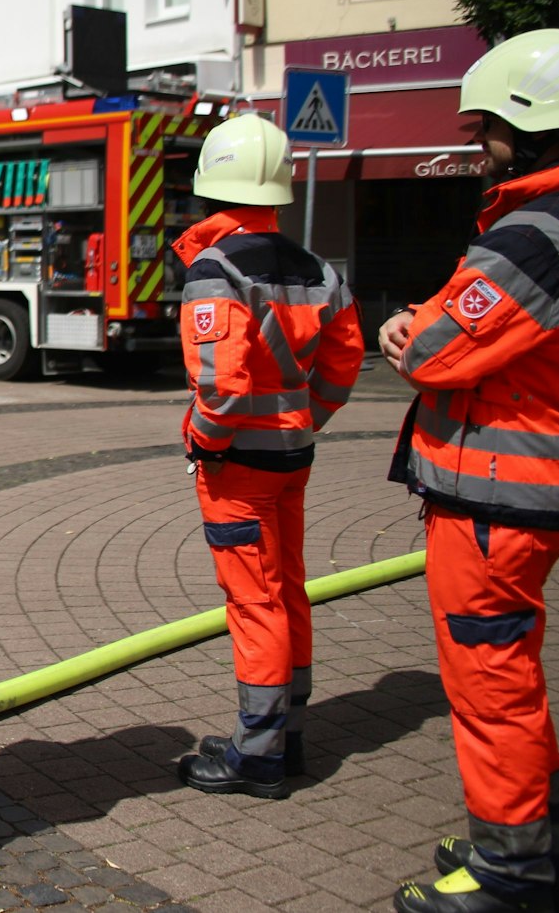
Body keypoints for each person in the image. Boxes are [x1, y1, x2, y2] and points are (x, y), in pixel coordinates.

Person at [382, 29, 559, 913]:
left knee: (489, 679)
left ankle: (510, 873)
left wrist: (408, 334)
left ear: (533, 123)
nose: (479, 148)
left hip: (498, 492)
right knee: (511, 663)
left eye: (487, 132)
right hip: (528, 485)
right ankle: (534, 830)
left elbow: (437, 345)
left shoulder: (539, 231)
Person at [168, 113, 363, 801]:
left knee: (254, 601)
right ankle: (289, 732)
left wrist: (205, 440)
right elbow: (345, 361)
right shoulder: (319, 270)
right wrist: (310, 416)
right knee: (287, 590)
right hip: (292, 456)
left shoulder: (214, 271)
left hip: (238, 468)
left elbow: (219, 389)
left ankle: (256, 756)